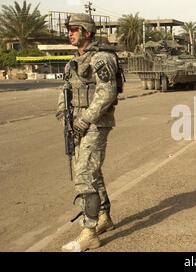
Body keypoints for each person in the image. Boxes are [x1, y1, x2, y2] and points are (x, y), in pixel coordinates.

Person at [56, 13, 122, 252]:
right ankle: (104, 217)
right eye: (69, 29)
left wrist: (83, 120)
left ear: (86, 31)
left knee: (84, 173)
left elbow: (107, 93)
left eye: (74, 29)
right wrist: (64, 114)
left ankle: (89, 231)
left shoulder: (101, 58)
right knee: (93, 172)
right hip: (77, 124)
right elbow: (65, 91)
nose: (70, 33)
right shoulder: (74, 61)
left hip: (95, 123)